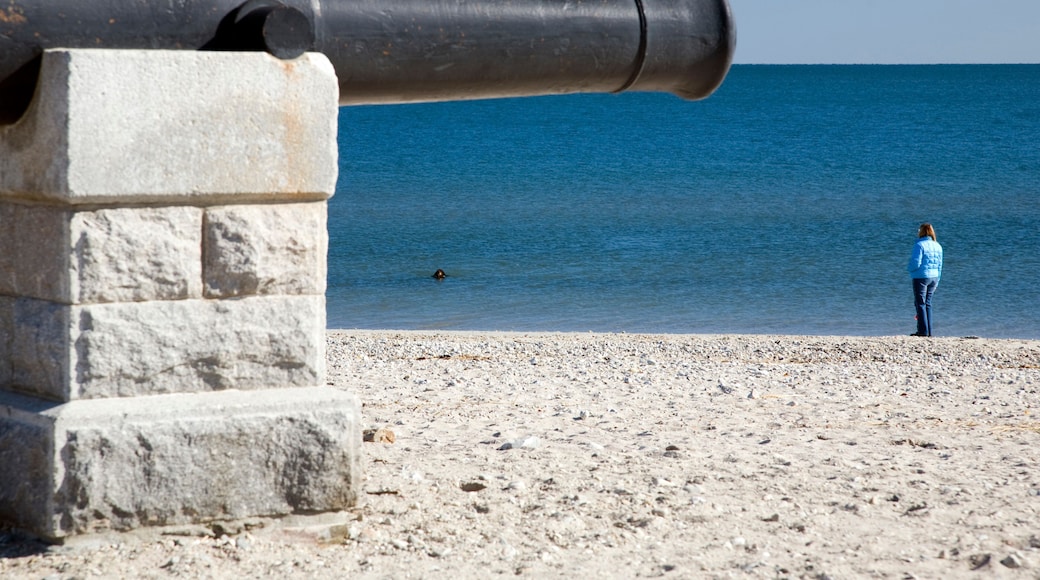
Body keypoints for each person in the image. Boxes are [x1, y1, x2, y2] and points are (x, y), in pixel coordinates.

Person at [907, 223, 943, 337]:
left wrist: (909, 269)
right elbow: (940, 264)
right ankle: (929, 331)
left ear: (921, 232)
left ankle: (922, 331)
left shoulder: (919, 245)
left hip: (921, 276)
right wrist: (938, 278)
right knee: (927, 303)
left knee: (920, 303)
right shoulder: (937, 245)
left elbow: (915, 263)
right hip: (934, 276)